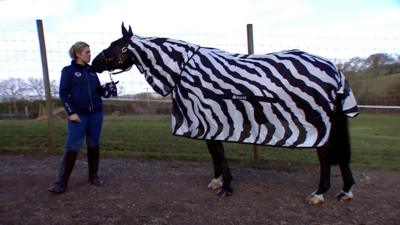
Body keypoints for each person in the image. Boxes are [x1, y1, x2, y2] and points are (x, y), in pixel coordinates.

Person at [48, 41, 114, 194]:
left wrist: (107, 89)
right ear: (77, 54)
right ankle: (61, 183)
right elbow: (63, 94)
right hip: (79, 115)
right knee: (73, 146)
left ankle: (93, 176)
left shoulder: (92, 71)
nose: (90, 55)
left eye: (90, 52)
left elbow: (98, 91)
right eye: (87, 52)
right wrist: (71, 112)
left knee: (94, 144)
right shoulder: (68, 71)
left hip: (96, 114)